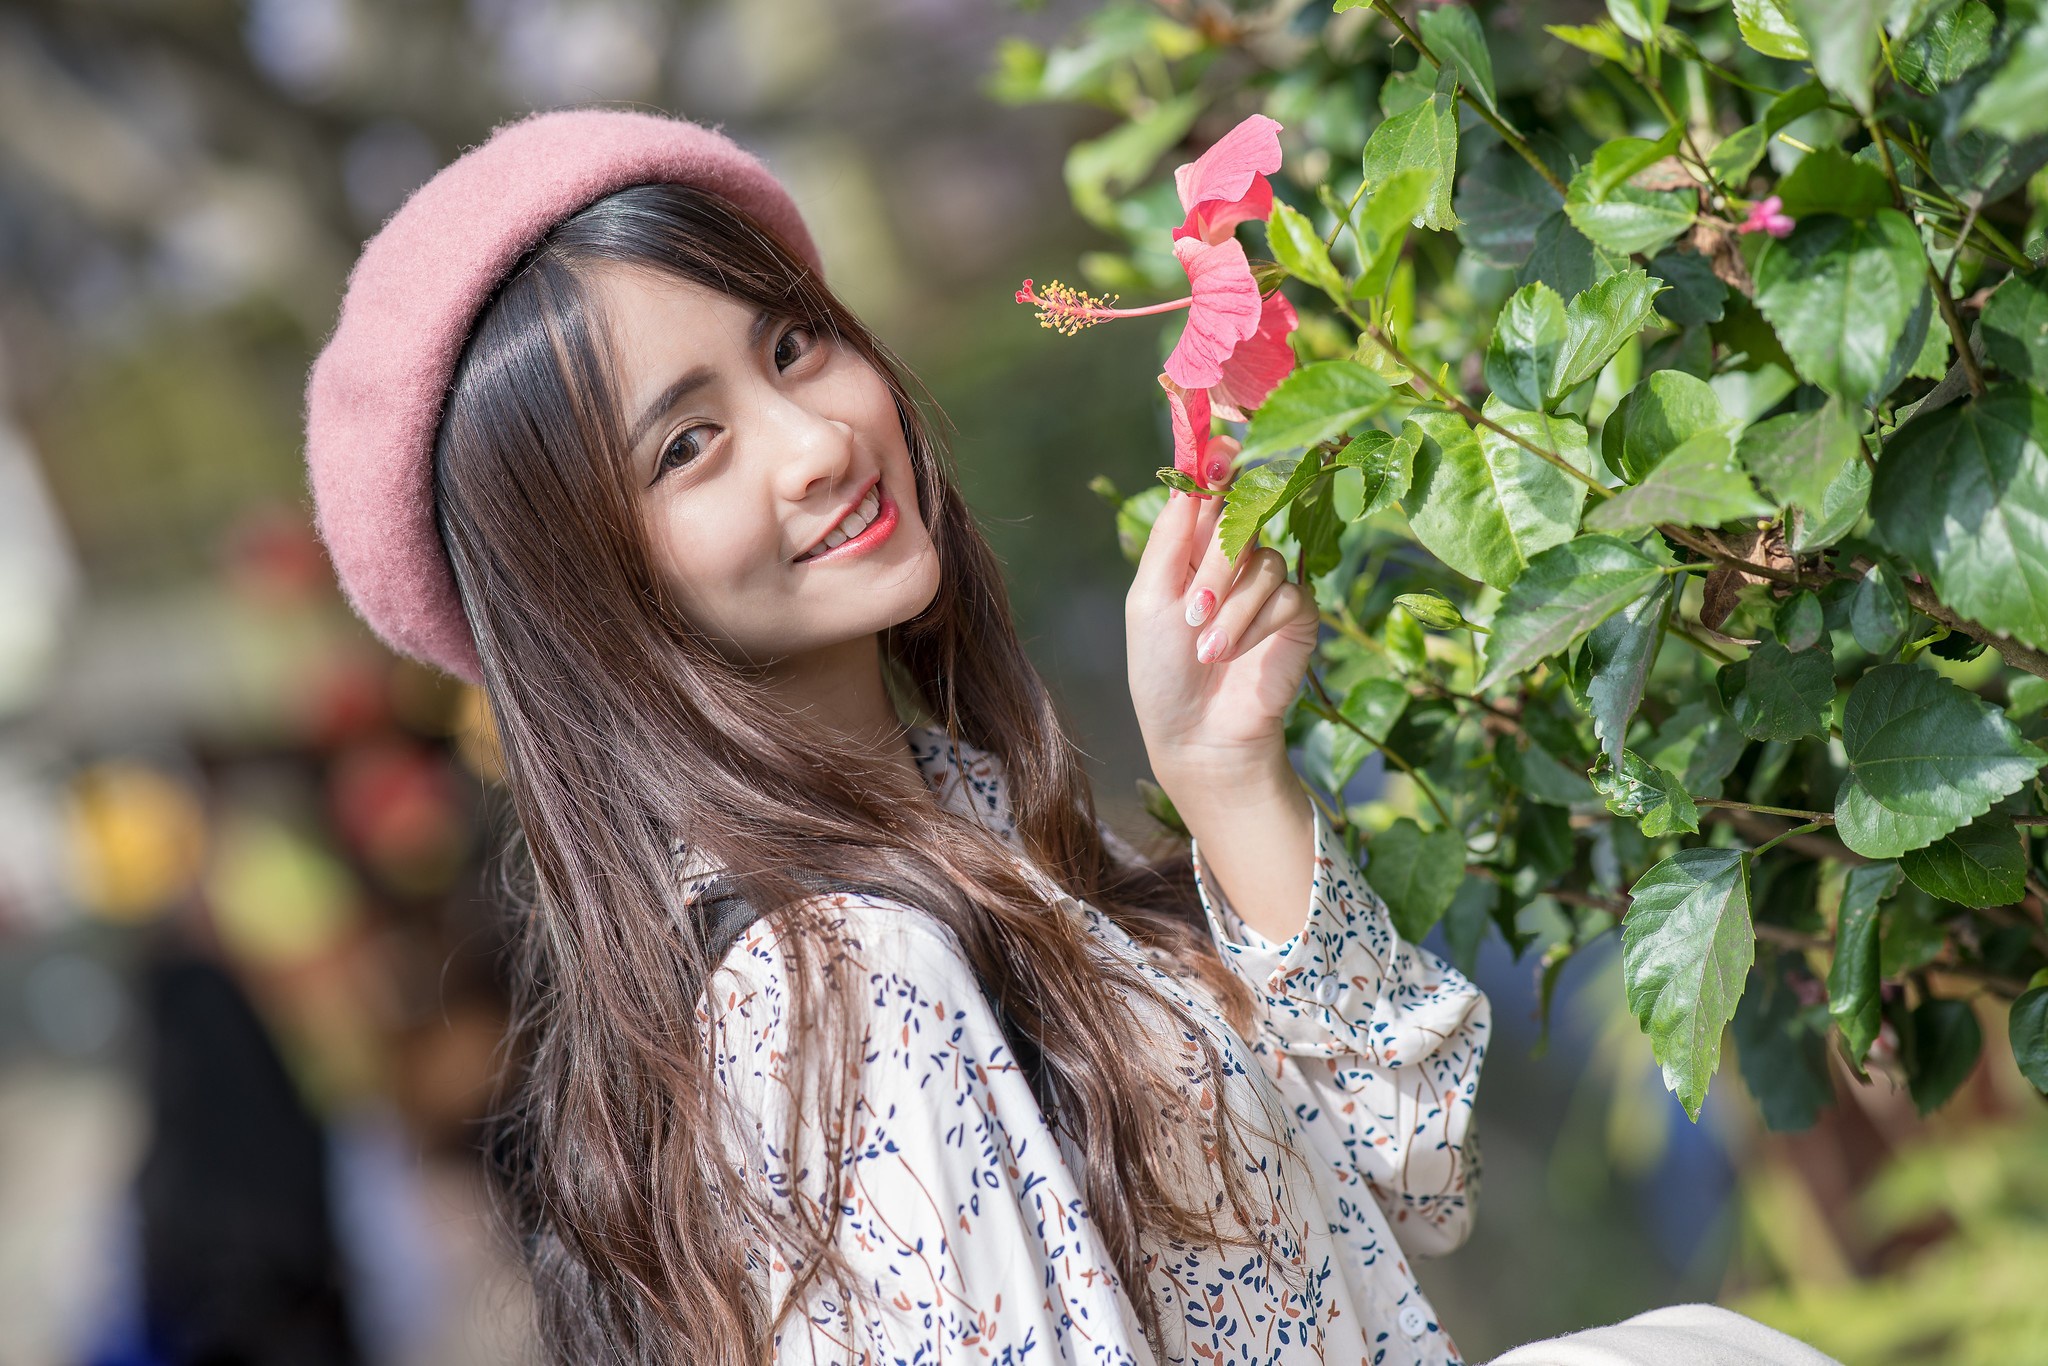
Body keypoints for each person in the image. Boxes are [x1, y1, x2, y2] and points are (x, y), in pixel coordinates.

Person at [302, 109, 1839, 1366]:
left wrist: (1225, 774)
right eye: (688, 444)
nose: (819, 439)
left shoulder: (975, 839)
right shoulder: (832, 984)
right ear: (586, 593)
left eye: (791, 347)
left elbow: (1416, 1173)